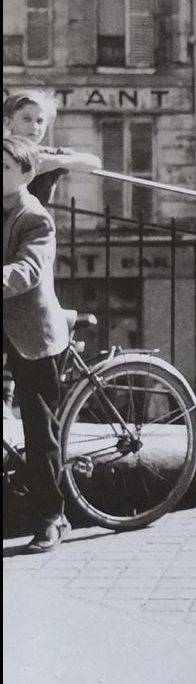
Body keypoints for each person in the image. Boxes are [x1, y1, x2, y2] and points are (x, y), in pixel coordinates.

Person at [3, 135, 71, 552]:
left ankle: (52, 517)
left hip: (31, 335)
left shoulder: (34, 216)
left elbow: (28, 269)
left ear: (27, 174)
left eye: (5, 168)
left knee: (39, 428)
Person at [3, 90, 102, 206]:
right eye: (26, 119)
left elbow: (95, 162)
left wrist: (58, 161)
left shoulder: (46, 155)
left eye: (40, 121)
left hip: (33, 220)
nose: (34, 126)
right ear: (8, 122)